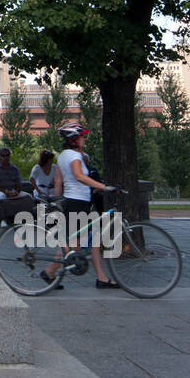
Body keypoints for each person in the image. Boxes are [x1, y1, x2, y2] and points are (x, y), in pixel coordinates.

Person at [40, 124, 118, 290]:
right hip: (78, 202)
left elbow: (58, 181)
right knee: (75, 244)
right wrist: (104, 187)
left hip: (73, 200)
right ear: (74, 139)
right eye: (82, 137)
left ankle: (101, 278)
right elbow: (79, 176)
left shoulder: (63, 156)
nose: (84, 140)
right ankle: (49, 271)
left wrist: (58, 200)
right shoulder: (74, 156)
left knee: (93, 239)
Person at [0, 147, 34, 225]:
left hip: (13, 190)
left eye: (7, 155)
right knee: (1, 198)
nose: (6, 157)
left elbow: (19, 183)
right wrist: (6, 192)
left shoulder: (14, 168)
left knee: (28, 196)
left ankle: (25, 218)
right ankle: (4, 219)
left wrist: (16, 192)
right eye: (3, 155)